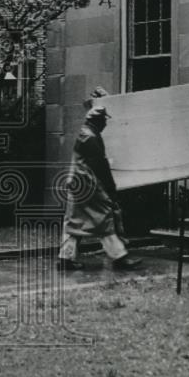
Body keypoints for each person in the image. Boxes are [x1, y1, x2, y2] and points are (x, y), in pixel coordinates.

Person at [58, 103, 141, 271]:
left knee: (74, 222)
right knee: (104, 217)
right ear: (98, 121)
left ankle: (65, 258)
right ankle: (119, 256)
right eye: (104, 120)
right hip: (88, 185)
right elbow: (100, 167)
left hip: (77, 183)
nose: (105, 124)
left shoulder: (84, 133)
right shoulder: (91, 137)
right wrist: (111, 189)